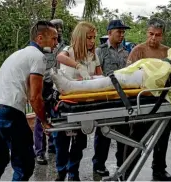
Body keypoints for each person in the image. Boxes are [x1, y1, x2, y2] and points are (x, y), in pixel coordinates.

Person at [0, 20, 57, 181]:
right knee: (24, 164)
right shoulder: (38, 57)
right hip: (8, 111)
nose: (56, 43)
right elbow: (35, 97)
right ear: (40, 38)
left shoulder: (18, 54)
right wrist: (45, 121)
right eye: (53, 38)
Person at [124, 17, 171, 181]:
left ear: (162, 35)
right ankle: (127, 170)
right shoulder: (138, 50)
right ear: (147, 33)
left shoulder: (167, 52)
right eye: (151, 34)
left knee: (162, 137)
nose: (153, 38)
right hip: (142, 101)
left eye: (157, 35)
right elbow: (127, 75)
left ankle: (159, 169)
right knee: (136, 137)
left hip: (163, 100)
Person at [53, 21, 102, 181]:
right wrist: (78, 66)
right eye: (89, 38)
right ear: (80, 37)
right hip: (65, 104)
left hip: (83, 105)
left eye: (94, 38)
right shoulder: (69, 51)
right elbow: (59, 57)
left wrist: (96, 78)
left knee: (79, 143)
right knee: (61, 143)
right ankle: (61, 173)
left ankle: (73, 173)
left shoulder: (93, 55)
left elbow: (100, 75)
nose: (92, 41)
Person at [92, 19, 130, 178]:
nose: (122, 35)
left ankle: (123, 164)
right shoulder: (100, 51)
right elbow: (96, 74)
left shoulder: (126, 51)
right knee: (104, 133)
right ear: (109, 33)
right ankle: (99, 165)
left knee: (124, 133)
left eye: (123, 32)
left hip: (124, 98)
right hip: (106, 97)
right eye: (118, 32)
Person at [34, 18, 66, 165]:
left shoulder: (64, 48)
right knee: (40, 118)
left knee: (57, 116)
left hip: (58, 86)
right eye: (56, 28)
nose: (59, 31)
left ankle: (53, 146)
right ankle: (40, 152)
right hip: (43, 84)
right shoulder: (42, 48)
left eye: (60, 29)